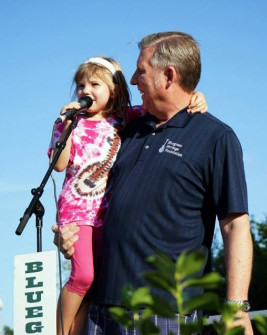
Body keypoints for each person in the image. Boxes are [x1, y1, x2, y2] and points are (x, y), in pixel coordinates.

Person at [53, 31, 253, 335]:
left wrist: (236, 307)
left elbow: (235, 225)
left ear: (169, 76)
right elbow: (87, 192)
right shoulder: (128, 130)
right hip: (100, 311)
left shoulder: (215, 138)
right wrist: (68, 235)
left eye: (141, 71)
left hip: (162, 313)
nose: (132, 81)